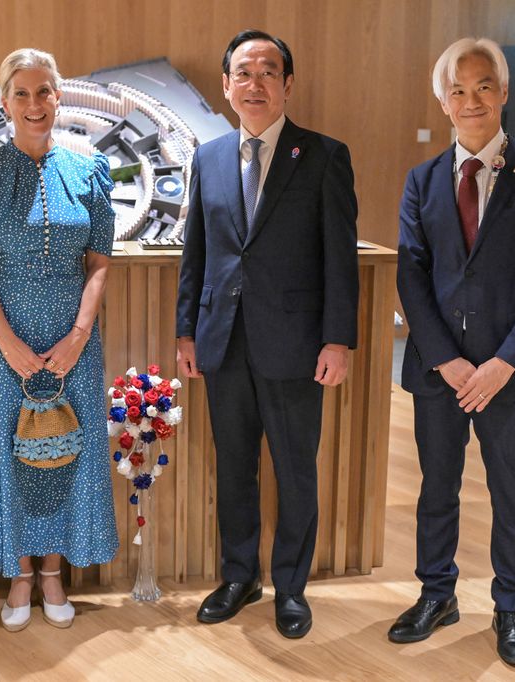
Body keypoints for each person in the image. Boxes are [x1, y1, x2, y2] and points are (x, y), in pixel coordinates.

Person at [391, 38, 515, 667]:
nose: (472, 101)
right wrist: (449, 360)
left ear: (504, 92)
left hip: (509, 373)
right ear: (442, 101)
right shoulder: (421, 182)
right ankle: (436, 593)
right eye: (458, 90)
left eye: (483, 87)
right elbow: (411, 276)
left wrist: (503, 364)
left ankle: (512, 606)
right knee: (436, 487)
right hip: (440, 370)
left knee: (510, 487)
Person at [176, 29, 359, 639]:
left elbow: (340, 258)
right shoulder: (207, 157)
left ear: (287, 85)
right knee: (235, 466)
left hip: (297, 345)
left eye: (267, 72)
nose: (255, 83)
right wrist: (186, 332)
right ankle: (238, 576)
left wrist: (338, 339)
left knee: (295, 468)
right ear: (226, 86)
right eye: (243, 73)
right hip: (223, 340)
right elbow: (195, 254)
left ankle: (292, 587)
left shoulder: (324, 156)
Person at [0, 48, 118, 632]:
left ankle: (52, 573)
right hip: (2, 344)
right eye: (22, 93)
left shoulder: (88, 169)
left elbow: (99, 262)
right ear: (3, 102)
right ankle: (19, 572)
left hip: (72, 343)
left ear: (58, 98)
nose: (34, 103)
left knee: (62, 453)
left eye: (44, 91)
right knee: (10, 454)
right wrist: (9, 344)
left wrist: (78, 335)